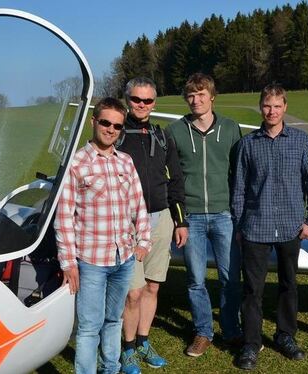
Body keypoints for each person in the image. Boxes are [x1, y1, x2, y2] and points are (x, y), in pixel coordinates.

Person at [54, 97, 151, 374]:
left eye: (117, 126)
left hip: (124, 257)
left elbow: (138, 204)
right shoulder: (76, 163)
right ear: (93, 121)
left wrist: (143, 241)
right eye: (106, 122)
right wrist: (68, 262)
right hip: (91, 260)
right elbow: (64, 217)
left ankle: (111, 367)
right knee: (88, 327)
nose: (111, 129)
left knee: (114, 320)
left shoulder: (126, 162)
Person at [231, 83, 308, 370]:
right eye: (267, 106)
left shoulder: (300, 140)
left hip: (289, 228)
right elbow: (239, 189)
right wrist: (239, 224)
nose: (271, 111)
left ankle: (286, 335)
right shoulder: (248, 144)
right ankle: (251, 342)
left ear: (285, 107)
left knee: (289, 285)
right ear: (261, 107)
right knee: (252, 290)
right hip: (255, 228)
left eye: (277, 106)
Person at [167, 73, 243, 357]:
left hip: (225, 215)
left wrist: (238, 211)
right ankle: (203, 331)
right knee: (195, 280)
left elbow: (239, 173)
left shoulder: (231, 128)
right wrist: (179, 218)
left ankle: (232, 330)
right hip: (192, 218)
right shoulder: (175, 131)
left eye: (201, 94)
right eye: (191, 95)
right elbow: (172, 178)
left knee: (230, 278)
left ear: (212, 96)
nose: (196, 100)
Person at [117, 77, 189, 373]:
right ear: (127, 100)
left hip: (161, 219)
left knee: (152, 287)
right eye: (136, 100)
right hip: (127, 223)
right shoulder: (117, 134)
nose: (142, 105)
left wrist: (180, 222)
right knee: (132, 292)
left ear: (154, 103)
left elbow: (177, 181)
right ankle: (128, 348)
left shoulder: (162, 136)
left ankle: (144, 340)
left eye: (147, 101)